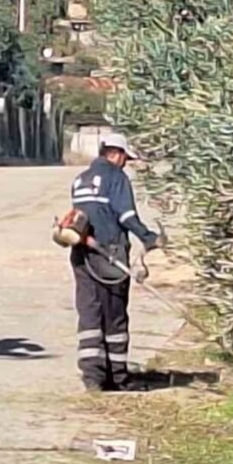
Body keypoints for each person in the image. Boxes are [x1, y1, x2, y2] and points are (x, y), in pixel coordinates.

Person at [69, 133, 165, 392]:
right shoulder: (116, 177)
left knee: (90, 311)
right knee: (114, 315)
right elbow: (126, 215)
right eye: (125, 158)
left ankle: (93, 377)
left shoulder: (80, 179)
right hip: (109, 253)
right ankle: (118, 378)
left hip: (81, 254)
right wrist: (149, 238)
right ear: (116, 154)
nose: (125, 164)